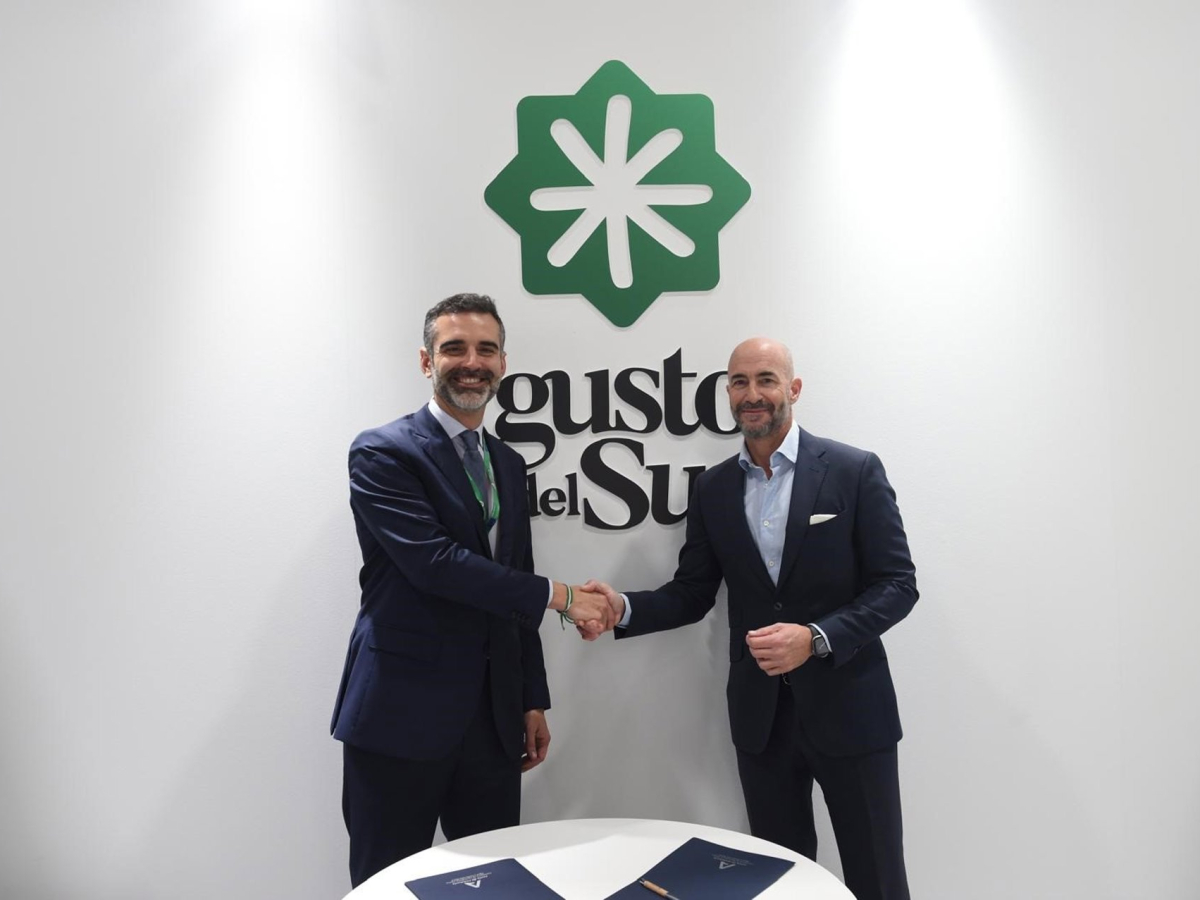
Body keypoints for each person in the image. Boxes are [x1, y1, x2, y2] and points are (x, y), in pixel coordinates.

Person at [586, 337, 917, 900]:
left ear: (794, 388)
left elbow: (897, 584)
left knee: (877, 880)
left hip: (851, 712)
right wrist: (624, 608)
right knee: (776, 884)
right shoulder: (713, 487)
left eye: (766, 379)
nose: (752, 394)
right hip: (762, 720)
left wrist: (815, 638)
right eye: (739, 382)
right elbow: (693, 592)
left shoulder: (853, 470)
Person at [331, 293, 613, 887]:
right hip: (399, 716)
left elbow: (513, 579)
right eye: (454, 348)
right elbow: (436, 565)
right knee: (387, 885)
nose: (472, 362)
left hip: (492, 722)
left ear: (503, 363)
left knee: (496, 884)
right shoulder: (382, 451)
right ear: (426, 361)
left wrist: (530, 697)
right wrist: (564, 597)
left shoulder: (507, 462)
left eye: (486, 349)